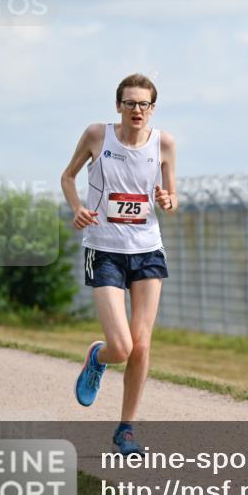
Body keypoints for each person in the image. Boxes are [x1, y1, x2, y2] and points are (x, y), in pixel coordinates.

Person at [60, 73, 178, 455]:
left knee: (141, 346)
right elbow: (68, 176)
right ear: (118, 106)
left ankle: (126, 429)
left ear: (152, 109)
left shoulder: (164, 143)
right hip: (105, 249)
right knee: (122, 347)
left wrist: (166, 200)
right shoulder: (98, 135)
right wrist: (78, 208)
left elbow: (172, 199)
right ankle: (98, 357)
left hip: (147, 250)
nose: (137, 110)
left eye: (144, 104)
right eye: (130, 103)